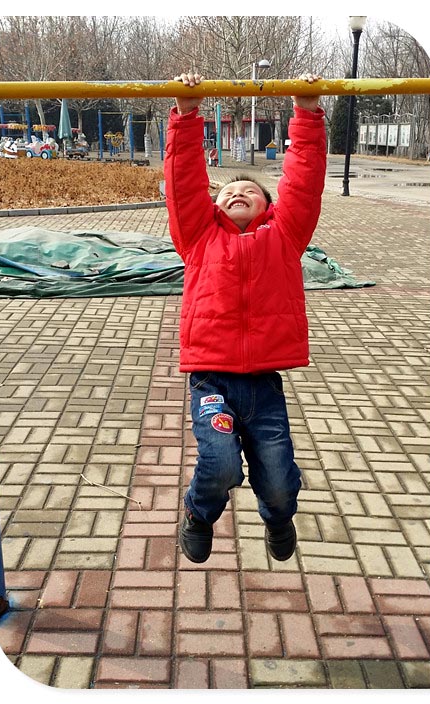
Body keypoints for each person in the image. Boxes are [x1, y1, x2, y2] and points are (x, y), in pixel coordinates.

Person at [164, 71, 326, 563]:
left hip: (263, 385)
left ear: (270, 207)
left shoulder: (285, 236)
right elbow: (184, 184)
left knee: (277, 479)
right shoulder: (198, 236)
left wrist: (306, 112)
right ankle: (198, 514)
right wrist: (186, 115)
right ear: (213, 207)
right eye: (228, 191)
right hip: (211, 378)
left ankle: (278, 518)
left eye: (249, 191)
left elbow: (303, 183)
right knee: (220, 466)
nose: (237, 193)